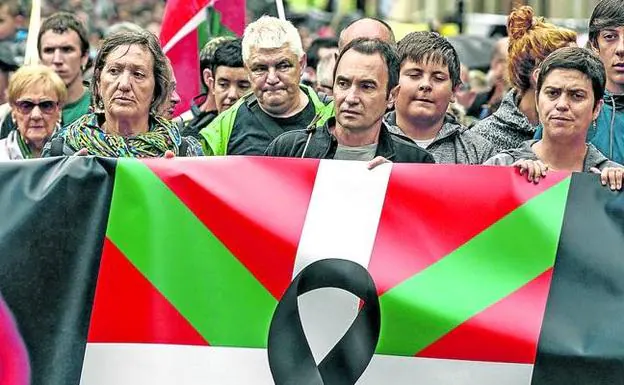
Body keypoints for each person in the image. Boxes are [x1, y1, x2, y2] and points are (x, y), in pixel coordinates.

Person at [265, 38, 434, 165]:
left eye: (366, 86)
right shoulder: (291, 150)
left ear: (392, 96)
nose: (351, 98)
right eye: (343, 84)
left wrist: (398, 186)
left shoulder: (414, 162)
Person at [43, 30, 203, 157]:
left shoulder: (183, 152)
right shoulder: (63, 148)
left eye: (138, 74)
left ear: (156, 89)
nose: (124, 84)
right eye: (114, 71)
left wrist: (175, 183)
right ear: (98, 83)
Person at [485, 47, 624, 191]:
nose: (562, 105)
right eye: (552, 93)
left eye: (577, 95)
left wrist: (615, 197)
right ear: (538, 101)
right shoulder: (501, 166)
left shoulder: (615, 179)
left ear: (596, 108)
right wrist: (505, 184)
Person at [199, 16, 333, 156]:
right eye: (260, 68)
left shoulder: (334, 116)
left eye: (283, 66)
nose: (272, 78)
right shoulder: (221, 130)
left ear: (301, 64)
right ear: (247, 70)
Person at [471, 6, 576, 153]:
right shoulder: (483, 139)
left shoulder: (584, 129)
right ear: (538, 75)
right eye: (570, 66)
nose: (580, 74)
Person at [384, 32, 495, 164]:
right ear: (393, 83)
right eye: (414, 75)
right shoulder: (369, 140)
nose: (425, 85)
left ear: (454, 91)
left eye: (438, 78)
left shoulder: (479, 152)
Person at [537, 0, 624, 164]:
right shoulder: (563, 110)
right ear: (594, 43)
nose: (621, 49)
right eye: (610, 37)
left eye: (577, 95)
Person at [0, 65, 67, 159]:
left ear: (59, 110)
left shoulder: (77, 154)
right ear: (13, 111)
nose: (36, 115)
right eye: (26, 105)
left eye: (46, 105)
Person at [38, 12, 91, 127]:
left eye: (67, 50)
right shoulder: (22, 110)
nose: (57, 60)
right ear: (40, 58)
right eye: (49, 50)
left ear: (84, 57)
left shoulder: (103, 110)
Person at [179, 36, 235, 139]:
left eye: (243, 84)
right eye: (224, 83)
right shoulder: (181, 127)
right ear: (209, 78)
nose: (233, 94)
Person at [465, 37, 509, 119]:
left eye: (506, 62)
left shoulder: (518, 104)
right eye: (498, 61)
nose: (499, 69)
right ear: (492, 61)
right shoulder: (478, 98)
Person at [210, 39, 251, 114]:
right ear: (212, 85)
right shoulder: (201, 125)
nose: (232, 95)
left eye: (243, 86)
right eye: (223, 85)